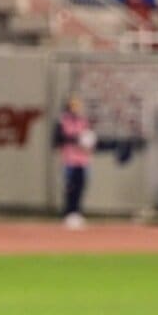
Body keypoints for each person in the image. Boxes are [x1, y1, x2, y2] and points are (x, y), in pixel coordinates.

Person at [53, 96, 94, 229]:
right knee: (70, 187)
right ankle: (69, 213)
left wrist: (87, 144)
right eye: (74, 105)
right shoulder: (63, 120)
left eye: (78, 105)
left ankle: (77, 212)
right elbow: (58, 139)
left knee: (81, 186)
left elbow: (89, 138)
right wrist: (75, 139)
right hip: (69, 159)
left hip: (82, 160)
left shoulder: (83, 121)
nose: (77, 108)